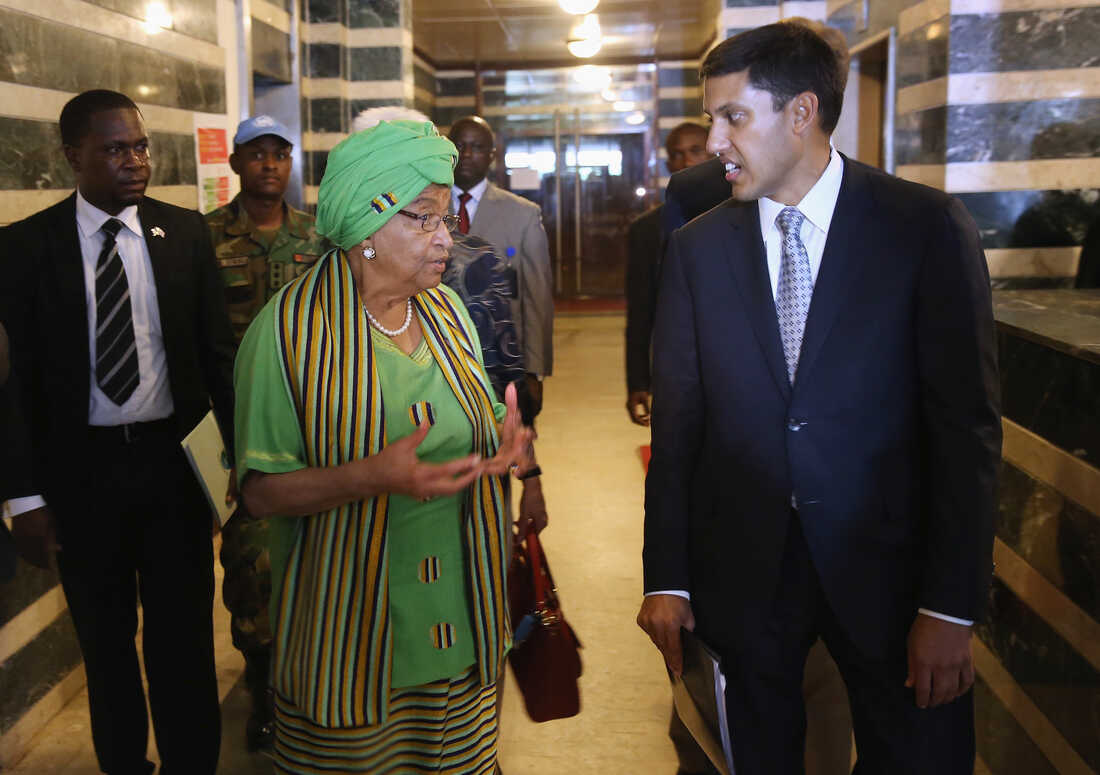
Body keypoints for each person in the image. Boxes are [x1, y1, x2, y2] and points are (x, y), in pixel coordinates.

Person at [637, 23, 1001, 775]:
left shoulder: (922, 228)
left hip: (893, 574)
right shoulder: (699, 249)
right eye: (711, 118)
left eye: (733, 116)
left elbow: (963, 431)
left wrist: (950, 606)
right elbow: (680, 430)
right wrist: (666, 576)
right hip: (745, 571)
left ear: (800, 112)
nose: (715, 141)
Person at [232, 119, 533, 774]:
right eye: (422, 219)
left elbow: (478, 417)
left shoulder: (447, 313)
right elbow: (258, 493)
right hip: (355, 638)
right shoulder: (287, 334)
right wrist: (370, 476)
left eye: (444, 217)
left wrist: (505, 440)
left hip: (462, 626)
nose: (444, 238)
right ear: (366, 226)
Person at [0, 89, 235, 775]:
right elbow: (11, 387)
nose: (135, 161)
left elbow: (218, 359)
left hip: (173, 470)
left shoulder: (183, 233)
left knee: (183, 643)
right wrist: (24, 498)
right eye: (114, 149)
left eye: (140, 146)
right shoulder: (23, 248)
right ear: (72, 156)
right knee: (105, 648)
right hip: (81, 479)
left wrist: (235, 469)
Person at [205, 113, 330, 753]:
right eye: (257, 154)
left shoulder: (317, 236)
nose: (270, 165)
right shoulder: (205, 238)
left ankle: (316, 686)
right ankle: (264, 688)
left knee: (316, 561)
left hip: (310, 426)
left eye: (280, 154)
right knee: (250, 567)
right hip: (237, 428)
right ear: (236, 163)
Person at [447, 116, 554, 419]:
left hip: (503, 362)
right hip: (441, 357)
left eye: (477, 147)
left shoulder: (522, 214)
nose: (467, 154)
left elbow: (536, 299)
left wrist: (534, 371)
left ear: (492, 155)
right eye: (460, 146)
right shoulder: (424, 209)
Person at [625, 121, 711, 428]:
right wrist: (638, 381)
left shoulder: (749, 217)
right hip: (675, 374)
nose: (686, 161)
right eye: (676, 154)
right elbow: (640, 313)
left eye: (695, 151)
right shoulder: (646, 230)